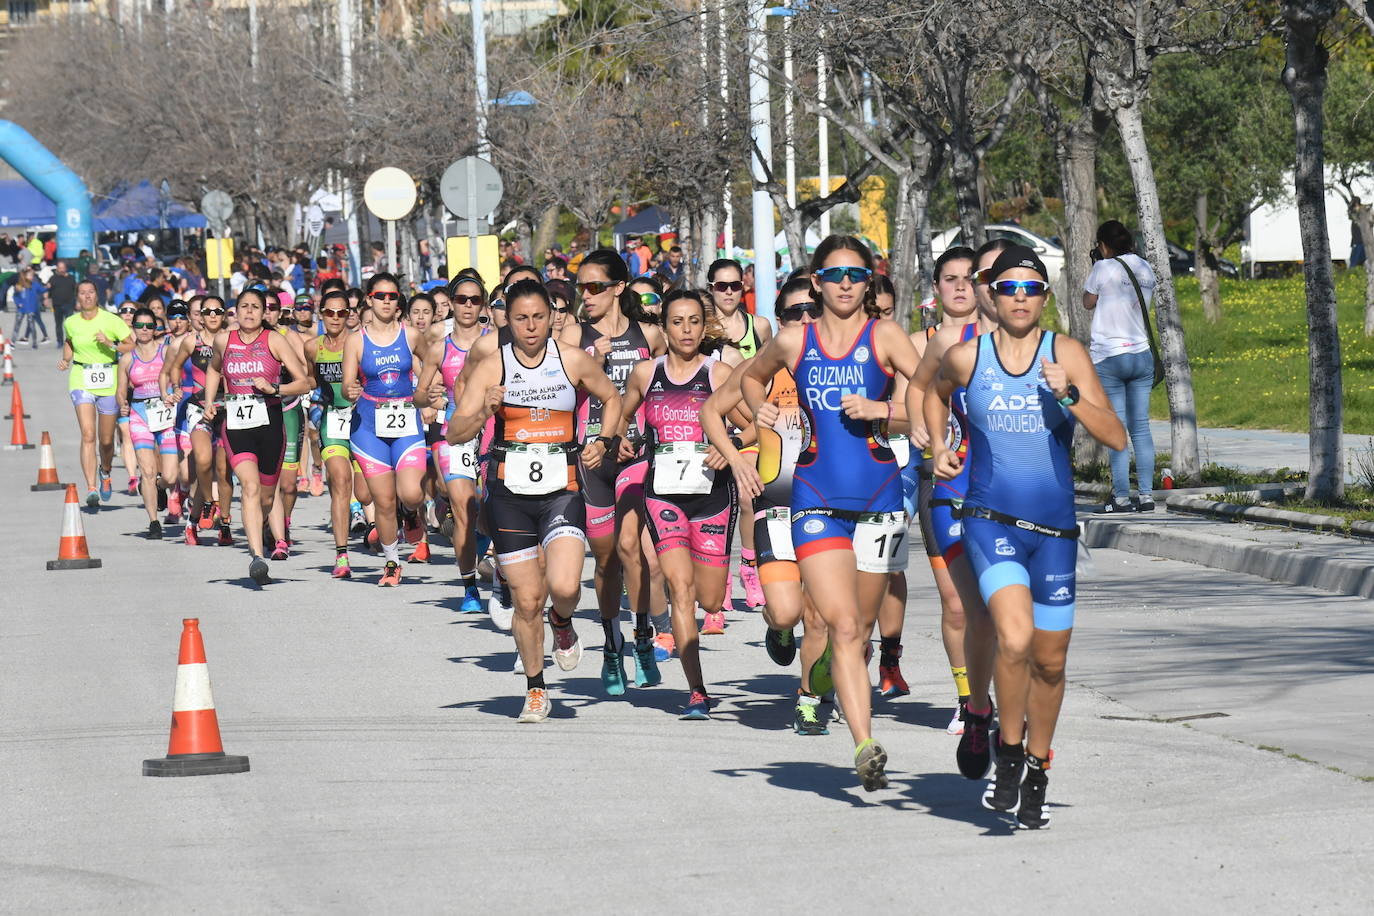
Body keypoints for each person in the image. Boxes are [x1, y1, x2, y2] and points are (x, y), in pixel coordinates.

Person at [925, 244, 1125, 829]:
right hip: (990, 522)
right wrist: (939, 445)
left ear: (1044, 298)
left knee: (1051, 662)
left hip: (1056, 532)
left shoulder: (1069, 355)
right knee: (1013, 638)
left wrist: (1069, 394)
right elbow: (935, 392)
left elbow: (1116, 438)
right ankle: (1007, 754)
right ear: (991, 293)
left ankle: (1038, 766)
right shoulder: (968, 357)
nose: (1018, 298)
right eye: (1008, 288)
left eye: (1030, 289)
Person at [742, 235, 920, 791]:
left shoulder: (885, 335)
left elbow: (929, 399)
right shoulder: (795, 340)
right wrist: (759, 406)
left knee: (859, 630)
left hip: (880, 503)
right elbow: (748, 377)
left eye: (857, 275)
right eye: (835, 274)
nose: (846, 283)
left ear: (870, 284)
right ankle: (864, 743)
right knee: (840, 624)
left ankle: (826, 678)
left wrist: (884, 409)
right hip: (815, 500)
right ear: (816, 282)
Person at [448, 279, 624, 723]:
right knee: (527, 602)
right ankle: (536, 688)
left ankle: (562, 623)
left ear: (552, 317)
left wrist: (603, 440)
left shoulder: (572, 360)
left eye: (539, 317)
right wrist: (484, 411)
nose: (530, 327)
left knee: (564, 588)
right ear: (508, 318)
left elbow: (612, 397)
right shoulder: (492, 366)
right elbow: (455, 432)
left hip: (561, 488)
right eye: (521, 318)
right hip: (509, 493)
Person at [703, 277, 834, 734]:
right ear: (778, 323)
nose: (803, 320)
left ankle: (810, 699)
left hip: (830, 507)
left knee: (821, 613)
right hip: (777, 505)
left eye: (811, 311)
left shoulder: (841, 366)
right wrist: (739, 456)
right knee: (785, 611)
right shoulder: (762, 368)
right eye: (793, 313)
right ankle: (778, 629)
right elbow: (710, 411)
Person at [615, 290, 734, 716]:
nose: (686, 330)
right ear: (664, 328)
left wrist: (729, 448)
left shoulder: (718, 374)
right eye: (677, 322)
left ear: (704, 328)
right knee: (680, 590)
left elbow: (752, 428)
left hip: (712, 495)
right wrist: (619, 440)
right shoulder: (647, 373)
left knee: (711, 599)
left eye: (694, 322)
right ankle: (697, 690)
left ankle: (715, 602)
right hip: (663, 492)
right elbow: (623, 412)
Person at [560, 249, 666, 678]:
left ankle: (643, 635)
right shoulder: (572, 334)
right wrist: (592, 364)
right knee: (605, 560)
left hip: (636, 455)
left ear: (619, 288)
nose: (585, 295)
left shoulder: (650, 336)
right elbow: (558, 392)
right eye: (580, 288)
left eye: (595, 287)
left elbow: (670, 386)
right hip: (592, 456)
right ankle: (610, 641)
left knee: (633, 550)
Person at [201, 288, 313, 585]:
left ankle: (262, 523)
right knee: (248, 487)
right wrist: (211, 400)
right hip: (236, 424)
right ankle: (256, 557)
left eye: (255, 307)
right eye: (243, 307)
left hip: (271, 423)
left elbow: (304, 382)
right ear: (234, 312)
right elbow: (214, 370)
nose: (249, 312)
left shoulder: (275, 340)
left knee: (265, 496)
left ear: (264, 312)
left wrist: (275, 389)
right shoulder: (224, 340)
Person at [341, 273, 430, 586]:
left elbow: (430, 362)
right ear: (369, 299)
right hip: (368, 426)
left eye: (392, 296)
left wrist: (428, 395)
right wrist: (349, 391)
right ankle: (392, 562)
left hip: (406, 420)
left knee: (411, 492)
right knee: (383, 502)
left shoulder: (411, 335)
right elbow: (346, 385)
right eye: (380, 296)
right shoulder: (356, 340)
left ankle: (411, 512)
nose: (387, 301)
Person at [415, 276, 490, 609]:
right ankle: (470, 587)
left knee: (487, 509)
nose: (468, 306)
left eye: (475, 300)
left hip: (492, 432)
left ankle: (482, 539)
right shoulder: (440, 347)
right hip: (454, 433)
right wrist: (428, 397)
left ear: (483, 303)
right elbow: (418, 394)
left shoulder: (496, 342)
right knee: (463, 509)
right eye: (461, 299)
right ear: (453, 304)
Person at [707, 258, 771, 611]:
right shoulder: (701, 328)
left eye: (735, 285)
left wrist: (754, 423)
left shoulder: (758, 325)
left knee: (749, 497)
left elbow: (767, 374)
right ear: (711, 288)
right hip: (716, 420)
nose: (729, 292)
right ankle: (721, 575)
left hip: (749, 422)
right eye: (721, 286)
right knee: (718, 507)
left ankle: (749, 566)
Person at [1084, 220, 1157, 513]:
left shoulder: (1102, 268)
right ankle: (1148, 495)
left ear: (1103, 244)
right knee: (1141, 427)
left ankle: (1122, 497)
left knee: (1116, 427)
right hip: (1141, 354)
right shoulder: (1145, 268)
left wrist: (1098, 264)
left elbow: (1088, 302)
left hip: (1109, 357)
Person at [58, 280, 134, 507]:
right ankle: (91, 487)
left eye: (91, 292)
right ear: (77, 297)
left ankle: (105, 471)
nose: (87, 296)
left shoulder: (111, 320)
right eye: (82, 293)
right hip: (81, 378)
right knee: (88, 434)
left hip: (109, 379)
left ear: (97, 296)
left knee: (107, 440)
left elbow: (130, 346)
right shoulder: (70, 322)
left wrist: (110, 343)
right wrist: (65, 359)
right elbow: (70, 342)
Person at [305, 290, 359, 578]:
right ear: (321, 314)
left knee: (364, 490)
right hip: (333, 419)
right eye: (330, 312)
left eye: (342, 313)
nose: (336, 318)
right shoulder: (313, 347)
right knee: (340, 480)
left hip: (363, 419)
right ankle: (341, 554)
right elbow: (312, 379)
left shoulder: (360, 342)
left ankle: (377, 525)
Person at [116, 308, 180, 539]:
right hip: (140, 415)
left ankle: (161, 488)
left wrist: (176, 392)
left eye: (149, 326)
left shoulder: (167, 352)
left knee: (171, 476)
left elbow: (177, 379)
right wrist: (123, 403)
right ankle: (154, 521)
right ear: (133, 328)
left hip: (165, 415)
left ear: (155, 329)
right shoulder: (127, 359)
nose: (144, 330)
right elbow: (121, 392)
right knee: (148, 471)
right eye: (140, 325)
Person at [11, 266, 50, 347]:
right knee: (17, 326)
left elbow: (42, 290)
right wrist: (18, 303)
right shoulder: (19, 285)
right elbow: (15, 296)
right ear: (25, 276)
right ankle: (12, 342)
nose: (32, 277)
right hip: (21, 309)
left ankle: (34, 343)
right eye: (30, 276)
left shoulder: (35, 285)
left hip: (31, 309)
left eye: (32, 276)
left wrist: (47, 287)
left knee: (32, 326)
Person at [48, 260, 77, 347]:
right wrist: (46, 299)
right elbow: (48, 291)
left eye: (63, 268)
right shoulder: (53, 278)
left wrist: (78, 302)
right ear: (57, 268)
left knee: (69, 325)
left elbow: (76, 290)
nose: (61, 270)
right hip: (57, 305)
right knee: (58, 325)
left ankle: (70, 342)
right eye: (60, 268)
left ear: (66, 268)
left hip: (69, 304)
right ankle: (60, 342)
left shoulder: (71, 278)